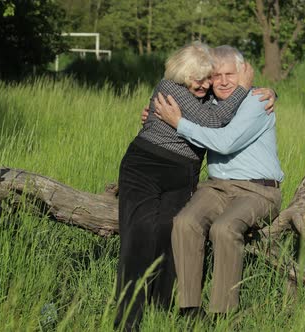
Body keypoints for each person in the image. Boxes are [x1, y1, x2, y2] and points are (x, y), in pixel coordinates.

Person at [115, 41, 275, 331]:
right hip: (152, 168)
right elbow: (214, 120)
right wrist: (166, 118)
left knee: (174, 231)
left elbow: (222, 125)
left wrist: (269, 90)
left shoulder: (232, 100)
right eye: (201, 78)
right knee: (146, 233)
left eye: (208, 78)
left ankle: (170, 310)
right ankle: (133, 319)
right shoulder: (177, 90)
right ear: (183, 74)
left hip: (195, 177)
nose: (205, 84)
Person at [152, 45, 284, 320]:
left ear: (244, 73)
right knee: (185, 222)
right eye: (216, 75)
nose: (222, 81)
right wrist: (155, 116)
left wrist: (178, 124)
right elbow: (172, 107)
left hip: (258, 190)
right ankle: (189, 308)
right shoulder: (209, 104)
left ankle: (222, 313)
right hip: (216, 186)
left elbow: (224, 144)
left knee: (224, 228)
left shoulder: (257, 101)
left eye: (229, 74)